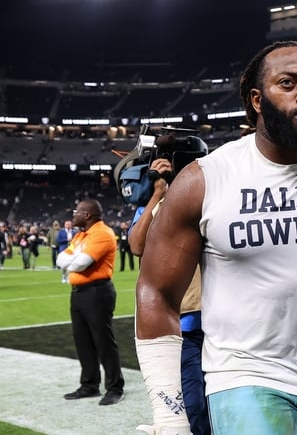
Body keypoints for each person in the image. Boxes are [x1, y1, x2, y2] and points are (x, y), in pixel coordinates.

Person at [134, 41, 297, 434]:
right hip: (244, 380)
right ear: (257, 100)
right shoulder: (204, 181)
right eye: (288, 83)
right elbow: (155, 292)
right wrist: (169, 416)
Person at [130, 157, 210, 435]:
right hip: (180, 320)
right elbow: (136, 245)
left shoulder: (207, 197)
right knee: (193, 402)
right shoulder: (155, 205)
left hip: (214, 316)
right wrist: (158, 194)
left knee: (219, 397)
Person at [56, 199, 124, 406]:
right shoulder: (80, 236)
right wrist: (73, 259)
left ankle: (115, 387)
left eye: (77, 212)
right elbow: (60, 260)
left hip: (97, 292)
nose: (73, 215)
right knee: (83, 341)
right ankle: (89, 385)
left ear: (87, 215)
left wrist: (73, 259)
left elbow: (80, 263)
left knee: (103, 341)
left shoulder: (102, 233)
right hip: (78, 292)